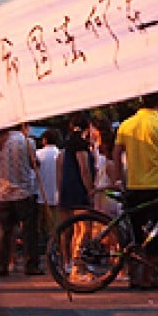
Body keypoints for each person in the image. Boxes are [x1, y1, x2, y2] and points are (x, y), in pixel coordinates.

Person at [114, 92, 158, 290]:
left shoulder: (127, 124)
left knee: (136, 233)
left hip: (133, 185)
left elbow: (116, 153)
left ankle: (135, 275)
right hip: (157, 186)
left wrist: (118, 178)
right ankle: (148, 277)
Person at [0, 126, 42, 277]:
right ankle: (31, 264)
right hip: (25, 192)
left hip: (5, 193)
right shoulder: (28, 142)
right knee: (29, 232)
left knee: (5, 232)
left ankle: (1, 265)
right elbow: (34, 164)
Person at [56, 114, 95, 280]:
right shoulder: (81, 146)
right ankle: (77, 265)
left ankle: (68, 263)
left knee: (68, 231)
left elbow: (58, 173)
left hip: (65, 191)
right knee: (84, 230)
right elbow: (84, 170)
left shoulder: (64, 149)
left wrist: (59, 192)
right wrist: (90, 190)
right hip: (78, 191)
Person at [36, 128, 61, 238]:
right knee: (54, 229)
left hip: (40, 195)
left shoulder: (38, 154)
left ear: (44, 140)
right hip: (56, 196)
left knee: (39, 229)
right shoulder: (60, 154)